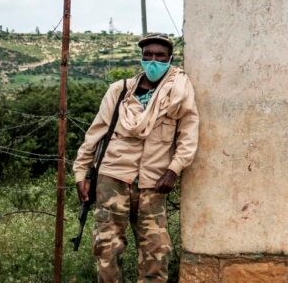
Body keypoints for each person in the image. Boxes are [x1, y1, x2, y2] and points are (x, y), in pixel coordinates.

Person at [74, 33, 199, 283]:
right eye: (148, 55)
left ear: (170, 58)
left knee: (156, 250)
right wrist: (81, 173)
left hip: (154, 183)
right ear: (141, 58)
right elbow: (95, 133)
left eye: (160, 56)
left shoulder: (179, 93)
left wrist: (173, 170)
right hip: (112, 178)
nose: (153, 60)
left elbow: (188, 135)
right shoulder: (119, 91)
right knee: (107, 247)